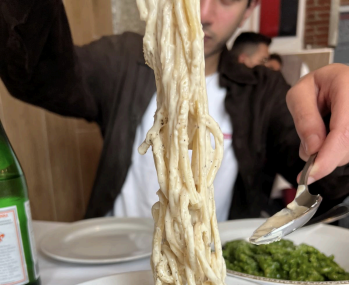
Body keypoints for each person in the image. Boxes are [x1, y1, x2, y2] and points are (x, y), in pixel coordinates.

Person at [0, 0, 348, 221]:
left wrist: (337, 127)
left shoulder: (263, 91)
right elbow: (37, 77)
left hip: (209, 272)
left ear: (250, 8)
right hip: (112, 257)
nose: (202, 14)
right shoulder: (123, 60)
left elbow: (327, 185)